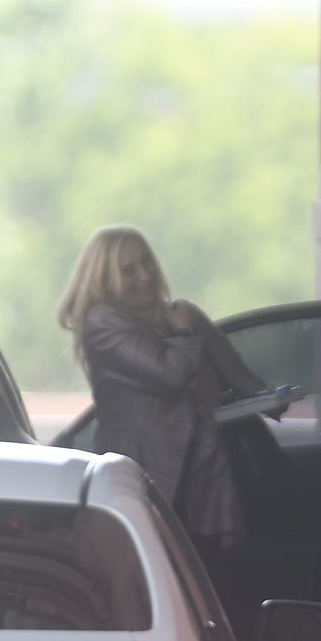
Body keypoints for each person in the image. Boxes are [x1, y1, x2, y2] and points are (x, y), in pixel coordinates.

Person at [56, 224, 270, 563]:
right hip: (147, 474)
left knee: (212, 580)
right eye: (129, 270)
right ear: (105, 280)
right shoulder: (103, 322)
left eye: (147, 262)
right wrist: (185, 330)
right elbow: (169, 376)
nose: (145, 275)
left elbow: (238, 373)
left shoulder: (176, 313)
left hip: (202, 473)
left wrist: (271, 398)